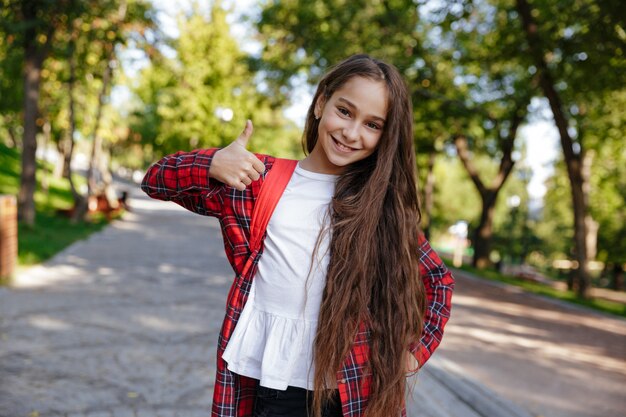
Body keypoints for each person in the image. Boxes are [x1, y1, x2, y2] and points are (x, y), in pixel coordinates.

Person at [142, 54, 454, 417]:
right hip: (273, 382)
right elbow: (156, 180)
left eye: (373, 124)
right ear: (322, 102)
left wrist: (415, 351)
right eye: (345, 111)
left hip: (351, 387)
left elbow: (437, 280)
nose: (352, 133)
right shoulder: (260, 179)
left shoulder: (382, 207)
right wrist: (211, 163)